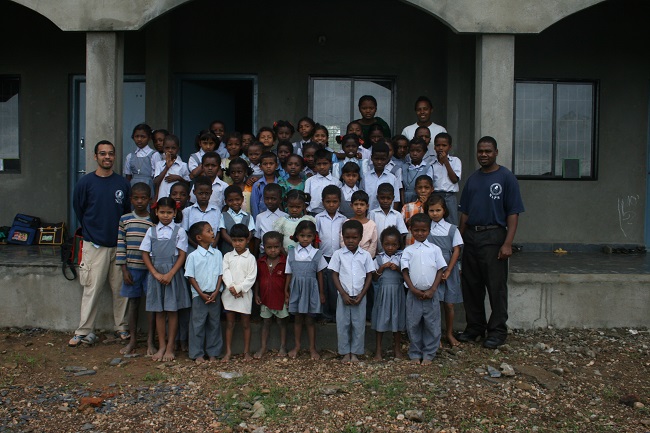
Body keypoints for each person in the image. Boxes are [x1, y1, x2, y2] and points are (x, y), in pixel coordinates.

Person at [457, 136, 524, 349]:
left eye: (487, 151)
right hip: (471, 237)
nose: (483, 155)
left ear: (496, 152)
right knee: (471, 286)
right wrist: (459, 240)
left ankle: (497, 331)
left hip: (494, 236)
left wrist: (507, 243)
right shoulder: (473, 179)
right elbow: (464, 214)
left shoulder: (506, 178)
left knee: (495, 287)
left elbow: (513, 213)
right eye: (480, 151)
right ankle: (475, 327)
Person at [68, 140, 130, 348]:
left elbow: (126, 212)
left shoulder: (122, 184)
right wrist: (91, 232)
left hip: (119, 246)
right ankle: (83, 330)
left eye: (110, 154)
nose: (107, 157)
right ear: (95, 157)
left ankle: (121, 327)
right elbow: (79, 209)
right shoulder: (86, 183)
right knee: (91, 289)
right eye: (102, 154)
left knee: (120, 289)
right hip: (94, 245)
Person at [140, 196, 190, 362]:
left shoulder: (179, 231)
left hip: (172, 275)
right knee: (159, 311)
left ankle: (170, 346)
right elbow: (145, 254)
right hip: (156, 274)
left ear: (175, 213)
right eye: (162, 212)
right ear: (156, 212)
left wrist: (170, 274)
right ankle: (161, 346)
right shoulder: (151, 231)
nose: (166, 215)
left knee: (172, 310)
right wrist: (155, 273)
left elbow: (182, 255)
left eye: (169, 212)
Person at [401, 213, 447, 365]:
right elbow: (405, 271)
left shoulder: (435, 249)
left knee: (432, 324)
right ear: (411, 230)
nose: (420, 233)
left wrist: (433, 289)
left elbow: (440, 269)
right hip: (413, 294)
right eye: (416, 230)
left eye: (423, 230)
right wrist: (413, 289)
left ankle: (429, 353)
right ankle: (415, 352)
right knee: (413, 324)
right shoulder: (408, 250)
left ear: (429, 230)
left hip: (431, 294)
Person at [116, 182, 156, 355]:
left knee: (151, 305)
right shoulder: (125, 219)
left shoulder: (153, 221)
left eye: (144, 198)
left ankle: (150, 341)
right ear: (131, 199)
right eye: (136, 198)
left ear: (150, 199)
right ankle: (132, 340)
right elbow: (121, 244)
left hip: (150, 270)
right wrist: (124, 269)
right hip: (131, 269)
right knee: (133, 303)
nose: (140, 202)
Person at [329, 219, 375, 363]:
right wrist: (342, 293)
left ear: (360, 238)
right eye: (347, 237)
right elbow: (334, 274)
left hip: (360, 296)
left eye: (354, 238)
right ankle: (344, 352)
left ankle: (355, 352)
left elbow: (369, 275)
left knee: (358, 325)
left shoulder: (366, 255)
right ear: (342, 237)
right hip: (343, 296)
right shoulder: (338, 254)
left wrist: (362, 294)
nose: (350, 241)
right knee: (343, 325)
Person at [424, 194, 463, 347]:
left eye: (438, 210)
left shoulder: (452, 229)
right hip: (433, 272)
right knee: (434, 305)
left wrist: (448, 271)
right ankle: (436, 335)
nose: (434, 213)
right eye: (431, 210)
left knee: (449, 304)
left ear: (444, 211)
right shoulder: (426, 230)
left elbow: (456, 251)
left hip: (449, 272)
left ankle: (449, 333)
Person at [285, 220, 327, 360]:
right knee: (297, 319)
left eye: (309, 236)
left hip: (311, 290)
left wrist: (321, 292)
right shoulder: (291, 253)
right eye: (302, 235)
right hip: (296, 289)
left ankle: (312, 348)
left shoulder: (317, 253)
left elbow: (320, 274)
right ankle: (296, 346)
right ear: (296, 236)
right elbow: (289, 274)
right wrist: (286, 291)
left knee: (310, 320)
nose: (305, 239)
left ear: (313, 237)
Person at [185, 221, 223, 364]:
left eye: (212, 230)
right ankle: (197, 353)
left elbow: (220, 274)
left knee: (214, 324)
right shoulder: (193, 256)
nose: (212, 233)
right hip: (199, 296)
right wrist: (200, 293)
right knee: (197, 324)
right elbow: (190, 277)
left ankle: (213, 352)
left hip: (214, 294)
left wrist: (216, 291)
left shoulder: (218, 254)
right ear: (199, 237)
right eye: (208, 231)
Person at [221, 223, 258, 362]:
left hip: (244, 295)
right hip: (229, 294)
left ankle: (246, 352)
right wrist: (232, 287)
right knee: (230, 323)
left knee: (245, 324)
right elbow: (225, 272)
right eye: (234, 240)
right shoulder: (227, 256)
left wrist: (239, 289)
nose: (237, 243)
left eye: (240, 240)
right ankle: (228, 352)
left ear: (247, 240)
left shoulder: (251, 258)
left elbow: (251, 277)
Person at [372, 226, 406, 360]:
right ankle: (378, 351)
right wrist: (382, 268)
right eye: (387, 244)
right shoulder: (379, 258)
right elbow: (374, 278)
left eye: (394, 244)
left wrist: (397, 269)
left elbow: (406, 276)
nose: (390, 247)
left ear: (398, 244)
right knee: (381, 319)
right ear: (382, 243)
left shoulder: (402, 257)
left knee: (397, 320)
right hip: (383, 294)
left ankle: (397, 349)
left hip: (397, 293)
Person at [254, 231, 289, 358]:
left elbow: (288, 280)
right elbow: (258, 279)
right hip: (265, 298)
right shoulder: (261, 261)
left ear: (281, 247)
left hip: (280, 298)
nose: (273, 250)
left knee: (281, 322)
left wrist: (287, 295)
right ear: (264, 247)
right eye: (269, 247)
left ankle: (283, 346)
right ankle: (263, 347)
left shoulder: (285, 262)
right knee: (266, 322)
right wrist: (257, 294)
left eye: (276, 247)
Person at [315, 185, 347, 322]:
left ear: (339, 202)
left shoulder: (343, 219)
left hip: (337, 257)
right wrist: (317, 255)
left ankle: (336, 313)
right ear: (323, 202)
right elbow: (316, 237)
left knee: (335, 286)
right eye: (328, 202)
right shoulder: (318, 218)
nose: (331, 205)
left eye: (334, 202)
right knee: (323, 285)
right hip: (323, 256)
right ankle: (324, 314)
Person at [427, 133, 462, 225]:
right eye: (438, 145)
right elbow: (429, 182)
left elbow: (454, 179)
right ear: (434, 147)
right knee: (434, 222)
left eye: (444, 145)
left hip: (449, 196)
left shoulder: (455, 161)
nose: (441, 148)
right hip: (435, 196)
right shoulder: (431, 163)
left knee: (451, 222)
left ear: (449, 147)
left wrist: (446, 161)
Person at [360, 141, 400, 212]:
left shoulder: (392, 178)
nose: (379, 162)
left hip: (387, 218)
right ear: (372, 158)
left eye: (382, 159)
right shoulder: (365, 177)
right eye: (376, 159)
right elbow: (361, 198)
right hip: (369, 216)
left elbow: (396, 200)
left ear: (387, 159)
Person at [182, 176, 220, 250]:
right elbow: (185, 233)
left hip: (212, 248)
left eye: (207, 193)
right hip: (193, 249)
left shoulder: (216, 210)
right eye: (200, 193)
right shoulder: (187, 211)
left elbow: (218, 232)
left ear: (211, 192)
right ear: (194, 192)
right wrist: (198, 247)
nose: (204, 196)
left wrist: (213, 245)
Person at [368, 183, 408, 253]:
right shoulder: (372, 214)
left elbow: (402, 234)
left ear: (393, 198)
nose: (385, 201)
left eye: (388, 198)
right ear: (377, 198)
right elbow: (369, 233)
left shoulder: (397, 215)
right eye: (382, 198)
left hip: (393, 252)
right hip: (376, 251)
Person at [219, 185, 256, 255]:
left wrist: (242, 244)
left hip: (244, 252)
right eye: (230, 200)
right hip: (228, 251)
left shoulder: (248, 216)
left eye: (237, 199)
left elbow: (250, 233)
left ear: (242, 199)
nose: (235, 202)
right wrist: (235, 244)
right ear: (226, 201)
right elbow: (223, 234)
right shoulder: (223, 216)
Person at [153, 134, 190, 201]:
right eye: (167, 148)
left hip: (177, 200)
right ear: (163, 148)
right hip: (162, 198)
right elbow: (156, 182)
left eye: (173, 148)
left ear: (178, 149)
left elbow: (187, 184)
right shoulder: (159, 164)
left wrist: (179, 178)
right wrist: (167, 167)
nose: (170, 150)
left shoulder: (183, 165)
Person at [305, 149, 342, 215]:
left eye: (325, 164)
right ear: (315, 165)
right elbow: (306, 201)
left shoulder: (337, 182)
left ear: (330, 164)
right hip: (313, 213)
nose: (322, 167)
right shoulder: (309, 181)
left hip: (332, 213)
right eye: (319, 164)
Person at [254, 183, 287, 255]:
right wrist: (255, 256)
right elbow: (257, 238)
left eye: (273, 199)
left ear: (280, 200)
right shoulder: (260, 217)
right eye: (267, 198)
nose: (269, 201)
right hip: (263, 253)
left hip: (281, 254)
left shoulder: (285, 217)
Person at [342, 190, 378, 258]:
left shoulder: (372, 224)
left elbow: (373, 244)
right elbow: (342, 241)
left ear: (367, 206)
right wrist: (350, 255)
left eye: (362, 204)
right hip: (348, 257)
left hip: (366, 259)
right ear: (351, 206)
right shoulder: (346, 223)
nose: (359, 207)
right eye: (356, 204)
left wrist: (365, 258)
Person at [402, 175, 434, 245]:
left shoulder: (435, 208)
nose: (423, 191)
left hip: (429, 245)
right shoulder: (407, 207)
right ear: (415, 189)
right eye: (420, 188)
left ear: (432, 189)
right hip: (411, 243)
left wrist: (425, 206)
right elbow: (402, 228)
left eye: (426, 188)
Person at [124, 123, 155, 190]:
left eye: (143, 137)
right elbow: (128, 176)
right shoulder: (130, 156)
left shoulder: (154, 155)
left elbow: (156, 177)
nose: (139, 139)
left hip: (149, 187)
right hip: (133, 187)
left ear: (149, 138)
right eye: (136, 136)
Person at [250, 152, 279, 218]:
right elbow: (254, 205)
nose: (268, 166)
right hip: (262, 219)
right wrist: (256, 220)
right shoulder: (257, 185)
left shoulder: (280, 183)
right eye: (265, 164)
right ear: (260, 167)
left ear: (276, 166)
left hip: (279, 218)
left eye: (271, 163)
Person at [403, 138, 430, 203]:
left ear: (424, 152)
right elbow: (401, 187)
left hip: (422, 199)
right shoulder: (404, 167)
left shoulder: (428, 167)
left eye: (418, 151)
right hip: (405, 198)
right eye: (412, 151)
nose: (415, 153)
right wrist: (403, 203)